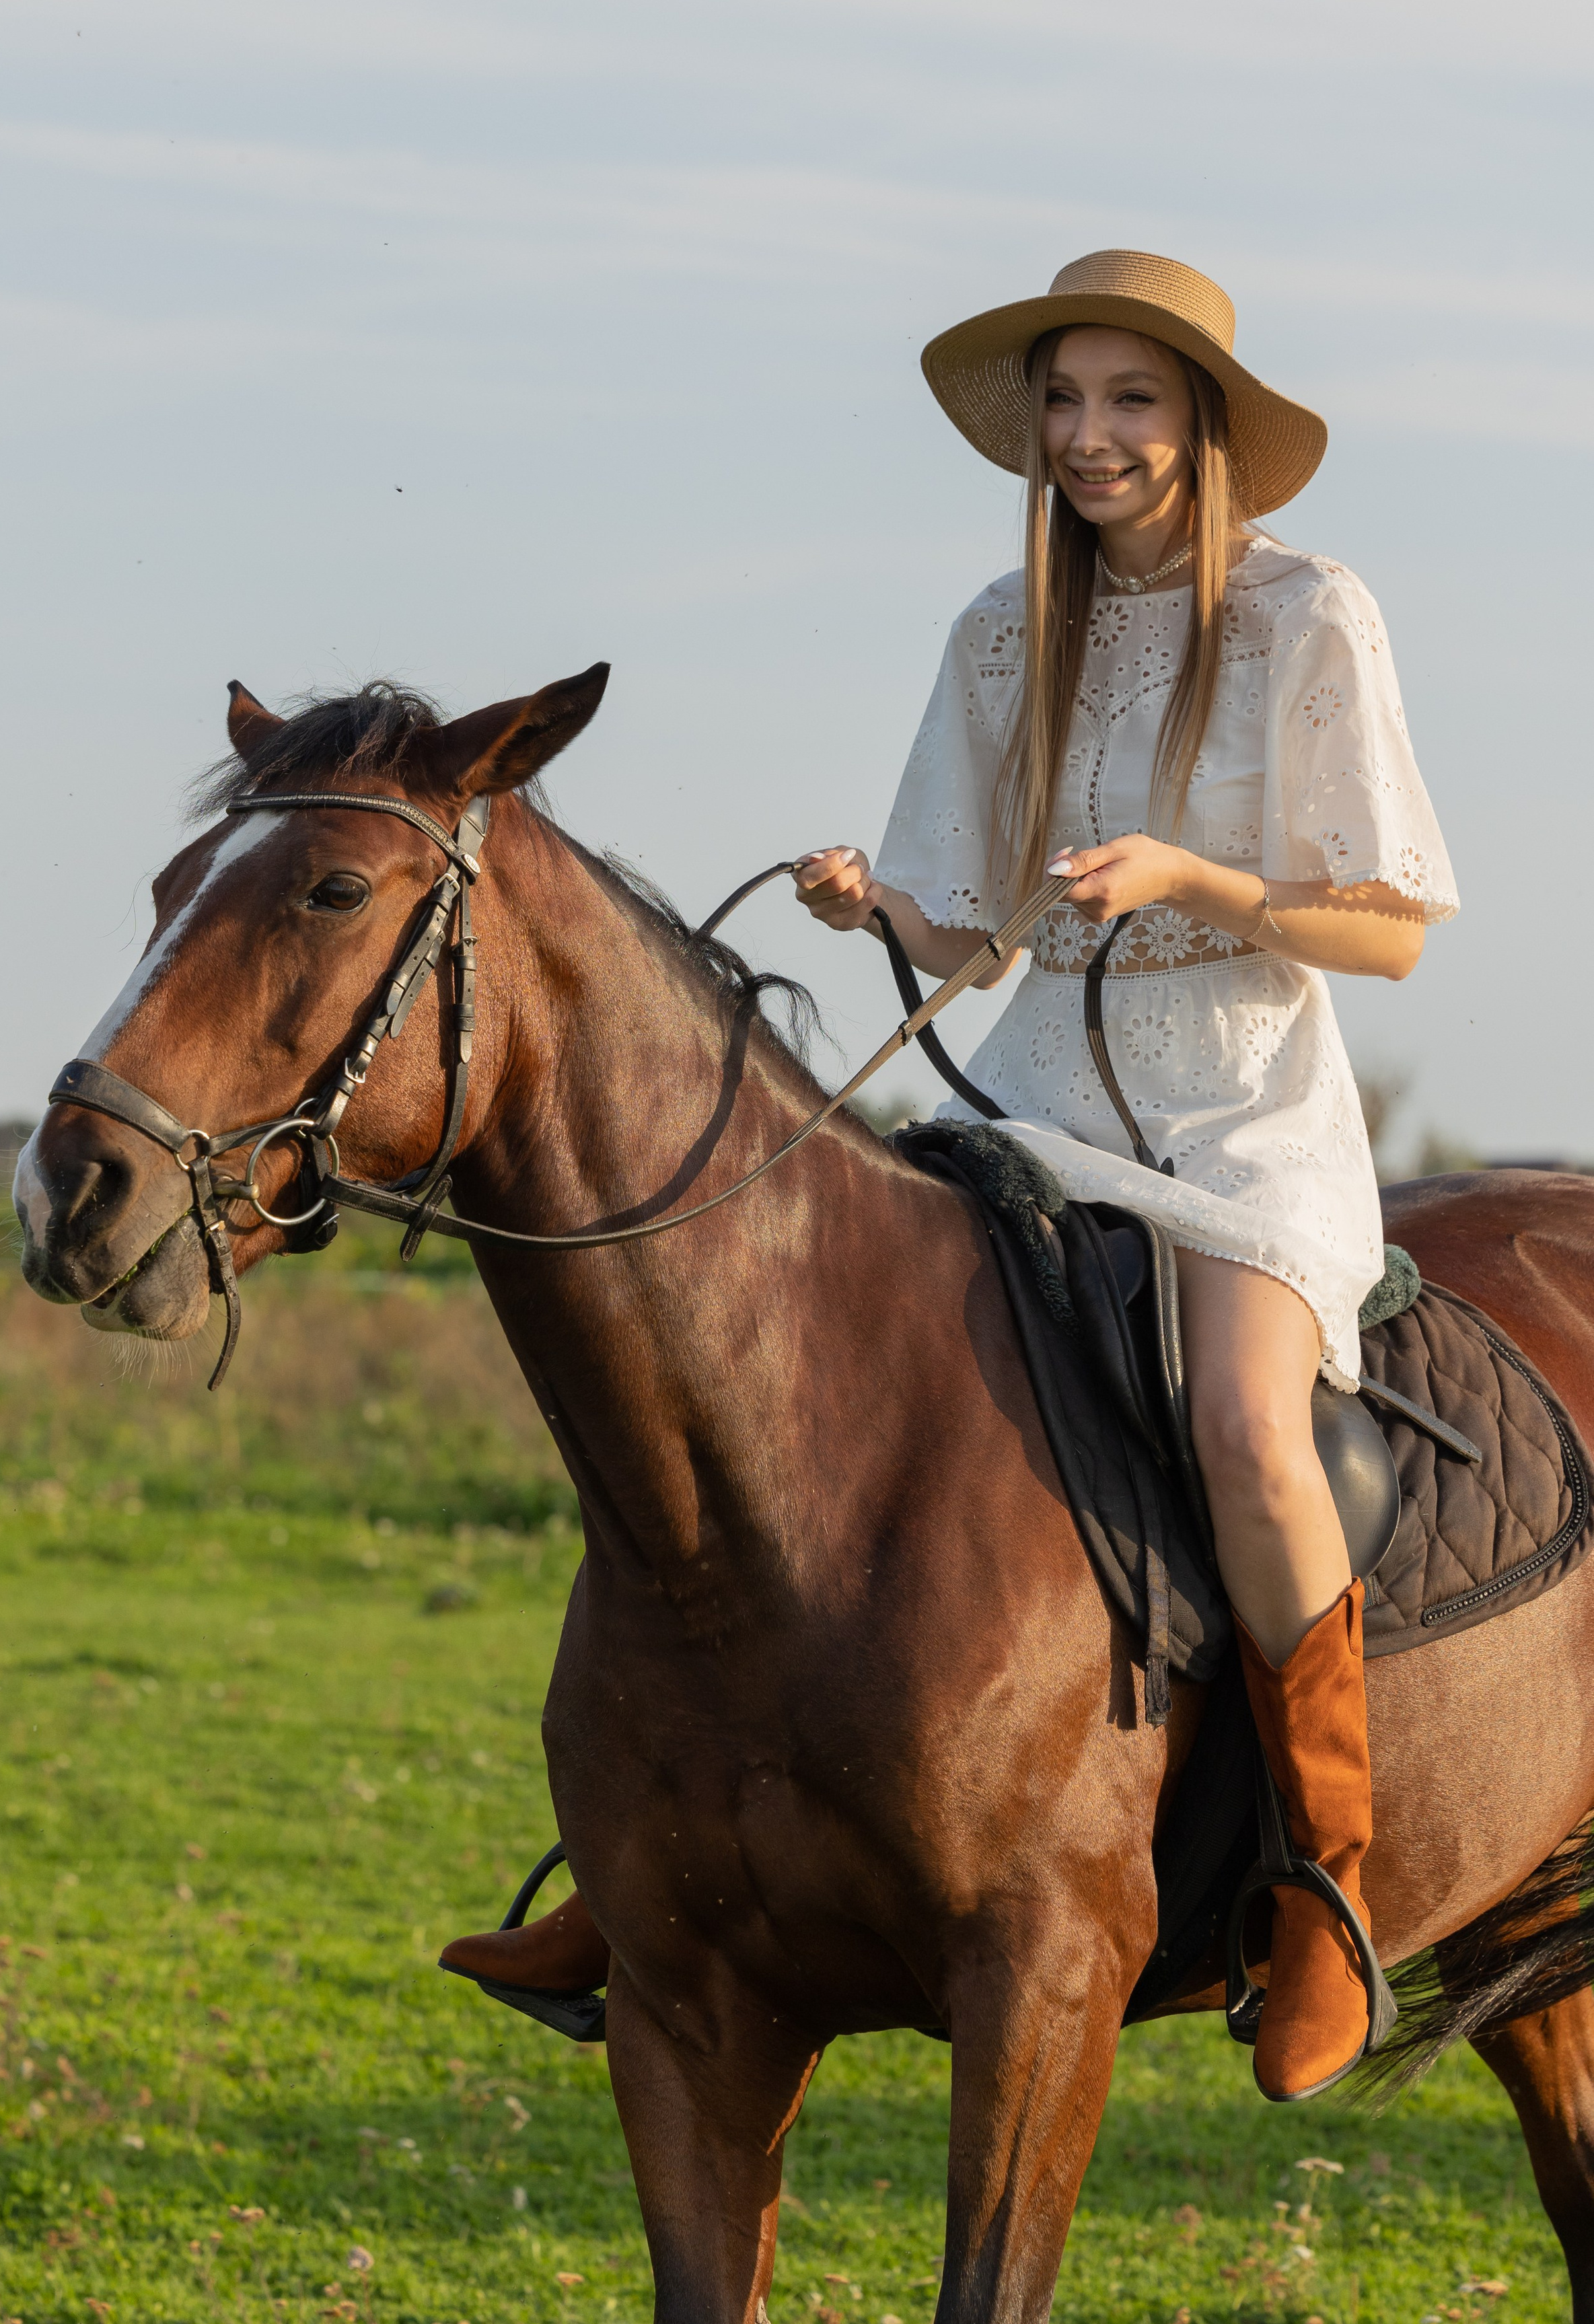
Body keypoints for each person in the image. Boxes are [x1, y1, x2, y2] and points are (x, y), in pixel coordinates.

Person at [444, 250, 1458, 2103]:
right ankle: (637, 1866)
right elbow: (975, 931)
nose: (1089, 438)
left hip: (1243, 1123)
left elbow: (1387, 930)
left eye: (1129, 403)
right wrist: (877, 906)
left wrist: (1196, 882)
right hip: (1034, 1099)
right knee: (805, 1400)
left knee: (1243, 1427)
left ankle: (1326, 1886)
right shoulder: (1005, 628)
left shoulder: (1319, 616)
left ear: (1206, 427)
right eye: (1064, 404)